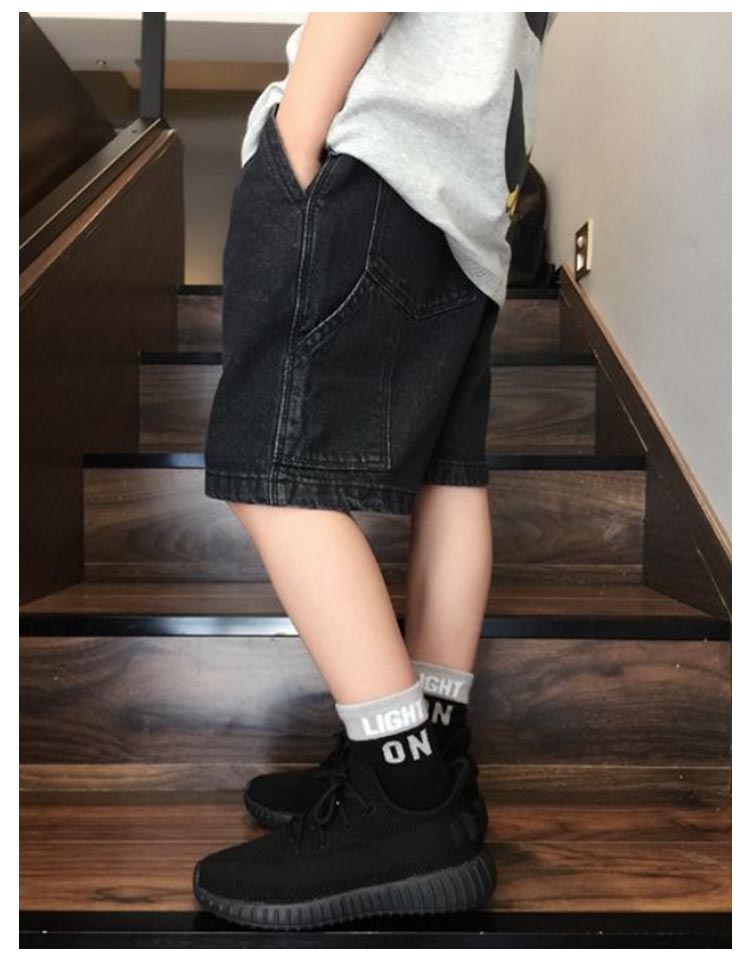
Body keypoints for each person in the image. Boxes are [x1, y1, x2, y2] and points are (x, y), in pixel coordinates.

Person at [195, 12, 550, 930]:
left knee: (267, 474)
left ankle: (401, 791)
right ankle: (431, 754)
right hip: (469, 202)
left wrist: (292, 144)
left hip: (376, 162)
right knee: (449, 477)